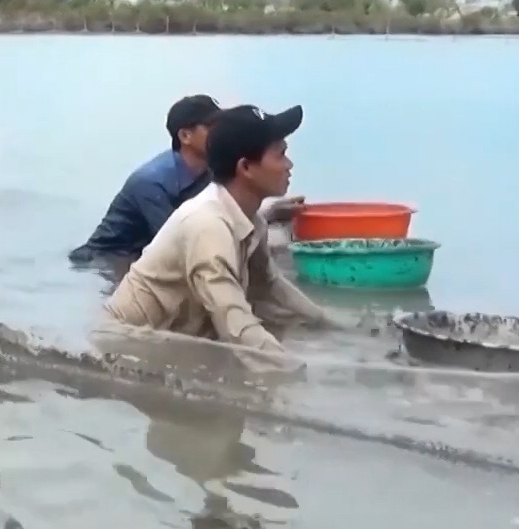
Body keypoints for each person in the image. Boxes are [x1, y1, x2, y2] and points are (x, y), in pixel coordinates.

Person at [96, 104, 329, 367]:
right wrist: (299, 375)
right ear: (246, 168)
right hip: (123, 348)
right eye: (280, 154)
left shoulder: (250, 220)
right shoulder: (208, 226)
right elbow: (236, 326)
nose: (289, 165)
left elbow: (270, 287)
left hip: (169, 337)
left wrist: (332, 326)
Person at [71, 95, 306, 267]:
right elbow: (182, 243)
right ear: (185, 136)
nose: (222, 132)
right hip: (106, 259)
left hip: (144, 251)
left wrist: (268, 214)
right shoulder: (151, 182)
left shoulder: (209, 172)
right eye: (212, 127)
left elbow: (215, 221)